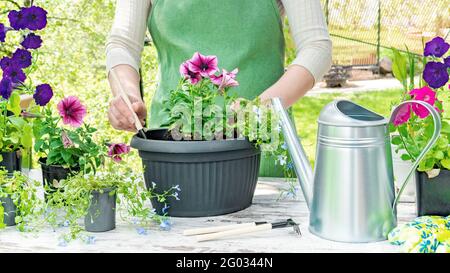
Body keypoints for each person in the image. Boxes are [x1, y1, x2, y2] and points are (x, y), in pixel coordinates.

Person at [106, 0, 332, 176]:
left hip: (258, 143)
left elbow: (316, 48)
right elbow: (122, 43)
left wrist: (257, 110)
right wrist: (127, 96)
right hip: (174, 146)